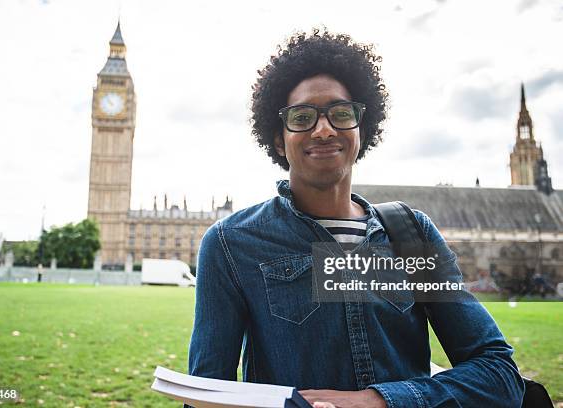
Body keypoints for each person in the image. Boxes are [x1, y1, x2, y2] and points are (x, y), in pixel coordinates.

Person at [187, 29, 525, 407]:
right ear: (279, 140)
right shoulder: (231, 244)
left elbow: (499, 373)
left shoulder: (410, 235)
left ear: (361, 130)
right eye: (302, 117)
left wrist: (378, 401)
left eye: (341, 113)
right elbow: (205, 396)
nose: (325, 128)